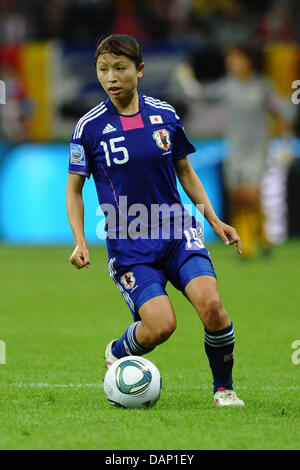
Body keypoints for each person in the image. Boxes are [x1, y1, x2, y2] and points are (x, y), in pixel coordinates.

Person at [66, 34, 244, 406]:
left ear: (140, 70)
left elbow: (186, 172)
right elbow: (74, 189)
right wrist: (80, 241)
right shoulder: (89, 127)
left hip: (178, 233)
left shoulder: (165, 114)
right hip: (131, 246)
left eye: (120, 68)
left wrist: (214, 219)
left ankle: (223, 389)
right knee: (161, 326)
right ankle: (119, 349)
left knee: (212, 306)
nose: (111, 77)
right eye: (103, 70)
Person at [178, 44, 294, 259]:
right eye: (230, 61)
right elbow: (203, 95)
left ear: (248, 61)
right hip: (235, 149)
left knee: (251, 194)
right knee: (239, 197)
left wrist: (285, 142)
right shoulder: (227, 86)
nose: (232, 64)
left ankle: (249, 245)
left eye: (236, 59)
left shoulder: (262, 86)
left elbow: (283, 110)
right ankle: (261, 236)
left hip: (257, 149)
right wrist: (188, 82)